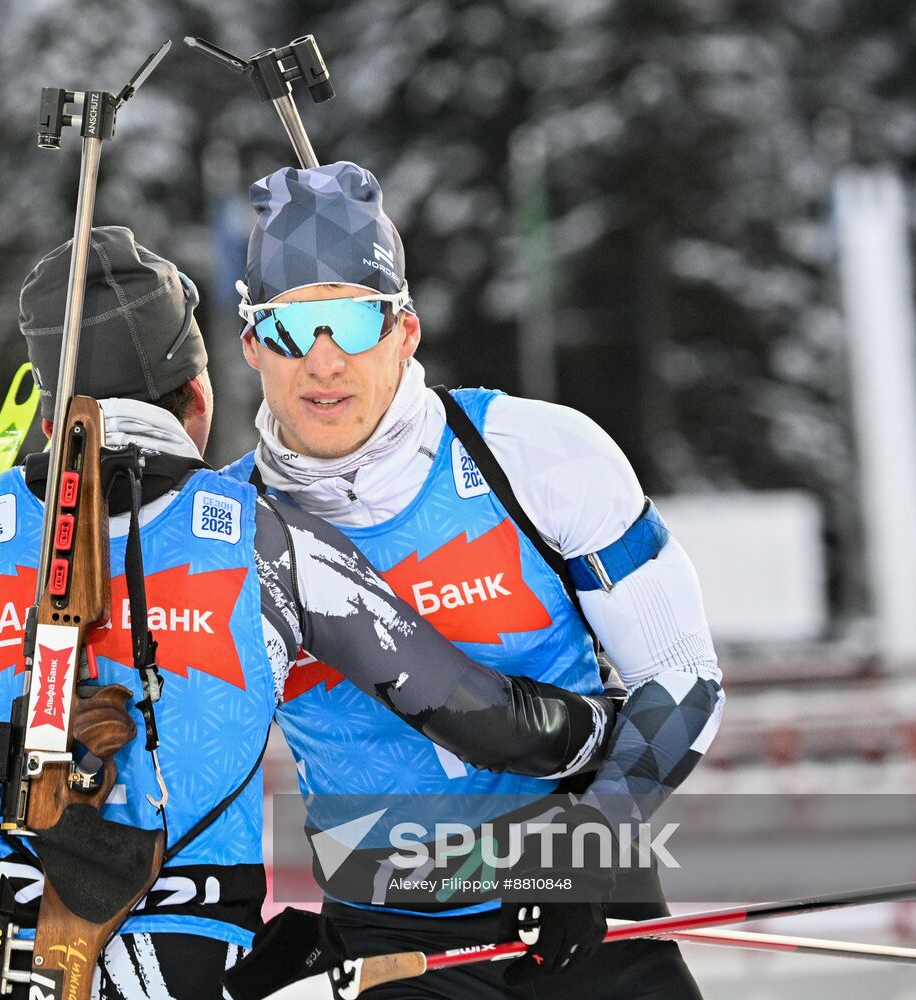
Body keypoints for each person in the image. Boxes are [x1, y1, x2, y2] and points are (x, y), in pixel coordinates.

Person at [0, 226, 620, 1000]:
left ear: (42, 417)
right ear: (198, 394)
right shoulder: (267, 541)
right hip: (194, 949)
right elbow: (475, 709)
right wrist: (591, 727)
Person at [224, 162, 725, 997]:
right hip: (392, 920)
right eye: (286, 328)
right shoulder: (227, 532)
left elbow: (683, 680)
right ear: (249, 345)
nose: (322, 363)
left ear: (404, 330)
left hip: (581, 894)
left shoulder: (535, 456)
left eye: (352, 320)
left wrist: (588, 849)